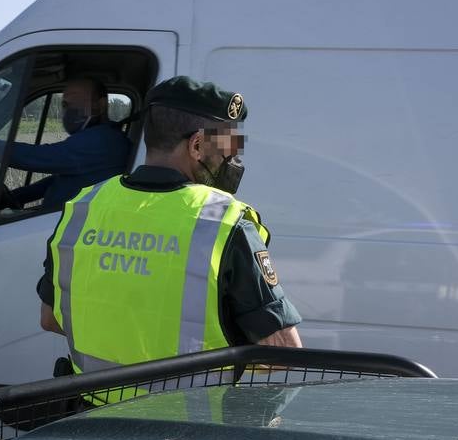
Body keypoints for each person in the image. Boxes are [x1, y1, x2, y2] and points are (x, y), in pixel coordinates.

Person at [39, 76, 301, 380]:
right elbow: (284, 351)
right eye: (228, 147)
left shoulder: (84, 207)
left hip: (92, 419)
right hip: (188, 424)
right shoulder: (225, 223)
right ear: (198, 145)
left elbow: (50, 318)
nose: (233, 158)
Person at [0, 76, 131, 210]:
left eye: (74, 100)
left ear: (100, 105)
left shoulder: (103, 141)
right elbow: (58, 180)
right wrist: (17, 196)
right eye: (64, 104)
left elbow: (39, 157)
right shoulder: (99, 137)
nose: (67, 108)